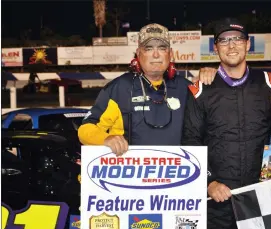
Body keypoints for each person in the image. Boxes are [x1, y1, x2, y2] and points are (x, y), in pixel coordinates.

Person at [181, 18, 271, 229]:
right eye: (224, 41)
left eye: (237, 39)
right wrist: (208, 183)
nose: (232, 45)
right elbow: (190, 142)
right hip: (218, 200)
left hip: (262, 195)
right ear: (215, 48)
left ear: (248, 44)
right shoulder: (200, 90)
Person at [78, 23, 213, 155]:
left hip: (178, 173)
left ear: (170, 54)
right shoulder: (120, 88)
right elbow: (85, 129)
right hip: (130, 174)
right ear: (138, 53)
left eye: (162, 48)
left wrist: (213, 77)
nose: (156, 55)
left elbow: (213, 124)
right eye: (148, 48)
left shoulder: (185, 87)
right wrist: (106, 139)